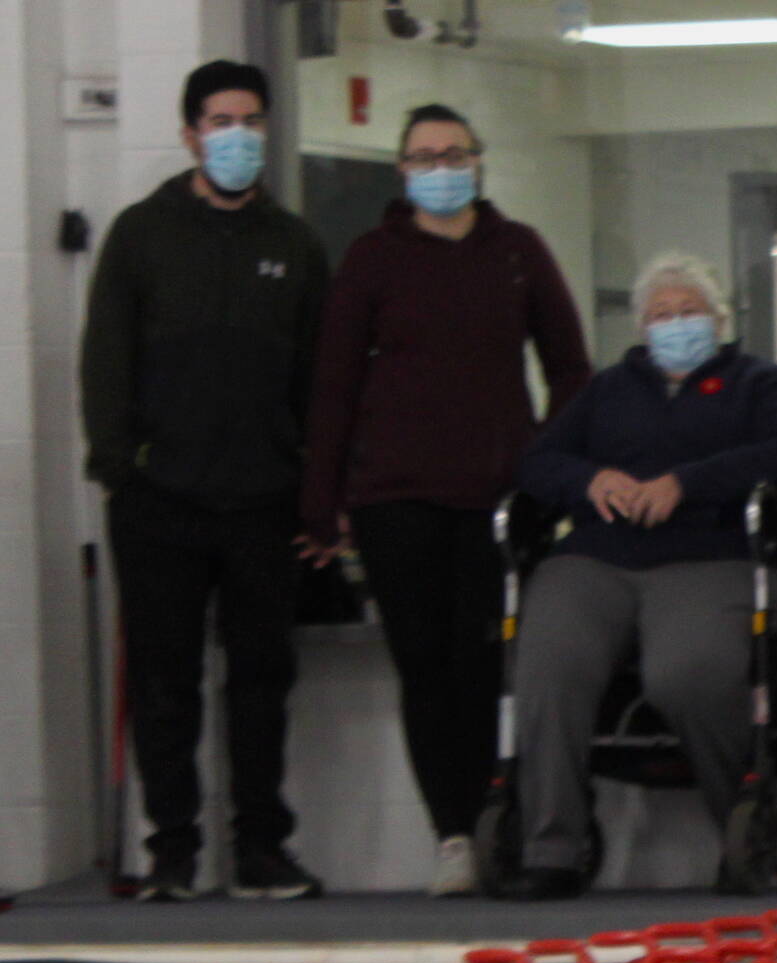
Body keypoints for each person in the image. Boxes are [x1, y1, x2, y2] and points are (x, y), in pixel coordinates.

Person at [301, 104, 591, 897]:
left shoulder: (518, 253)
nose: (440, 168)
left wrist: (543, 458)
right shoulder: (370, 259)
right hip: (394, 500)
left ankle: (505, 819)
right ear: (402, 171)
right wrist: (320, 504)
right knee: (423, 669)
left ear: (478, 161)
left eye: (453, 154)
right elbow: (333, 386)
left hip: (496, 503)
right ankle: (452, 834)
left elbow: (570, 368)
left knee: (484, 667)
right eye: (424, 157)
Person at [79, 60, 330, 902]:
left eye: (252, 121)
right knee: (163, 684)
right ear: (191, 134)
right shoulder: (140, 235)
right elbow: (104, 363)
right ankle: (173, 853)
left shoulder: (293, 245)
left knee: (263, 684)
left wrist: (315, 491)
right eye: (222, 121)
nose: (239, 136)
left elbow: (318, 380)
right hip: (161, 505)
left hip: (264, 503)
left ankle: (261, 848)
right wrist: (122, 472)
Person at [508, 253, 777, 899]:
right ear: (642, 327)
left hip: (714, 556)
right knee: (549, 663)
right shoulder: (607, 389)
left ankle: (739, 824)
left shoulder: (756, 381)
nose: (676, 324)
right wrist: (588, 479)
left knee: (688, 672)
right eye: (661, 315)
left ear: (719, 319)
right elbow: (539, 461)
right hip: (599, 557)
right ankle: (551, 845)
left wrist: (687, 482)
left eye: (689, 312)